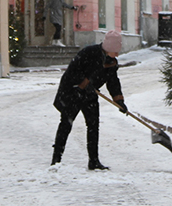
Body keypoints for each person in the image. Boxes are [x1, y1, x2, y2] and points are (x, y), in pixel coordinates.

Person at [51, 30, 127, 170]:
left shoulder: (111, 62)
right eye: (115, 51)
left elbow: (113, 82)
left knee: (93, 126)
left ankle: (94, 161)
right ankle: (56, 159)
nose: (117, 54)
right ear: (108, 47)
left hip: (90, 95)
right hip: (73, 92)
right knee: (66, 124)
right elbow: (73, 71)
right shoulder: (89, 53)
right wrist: (85, 83)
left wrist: (119, 101)